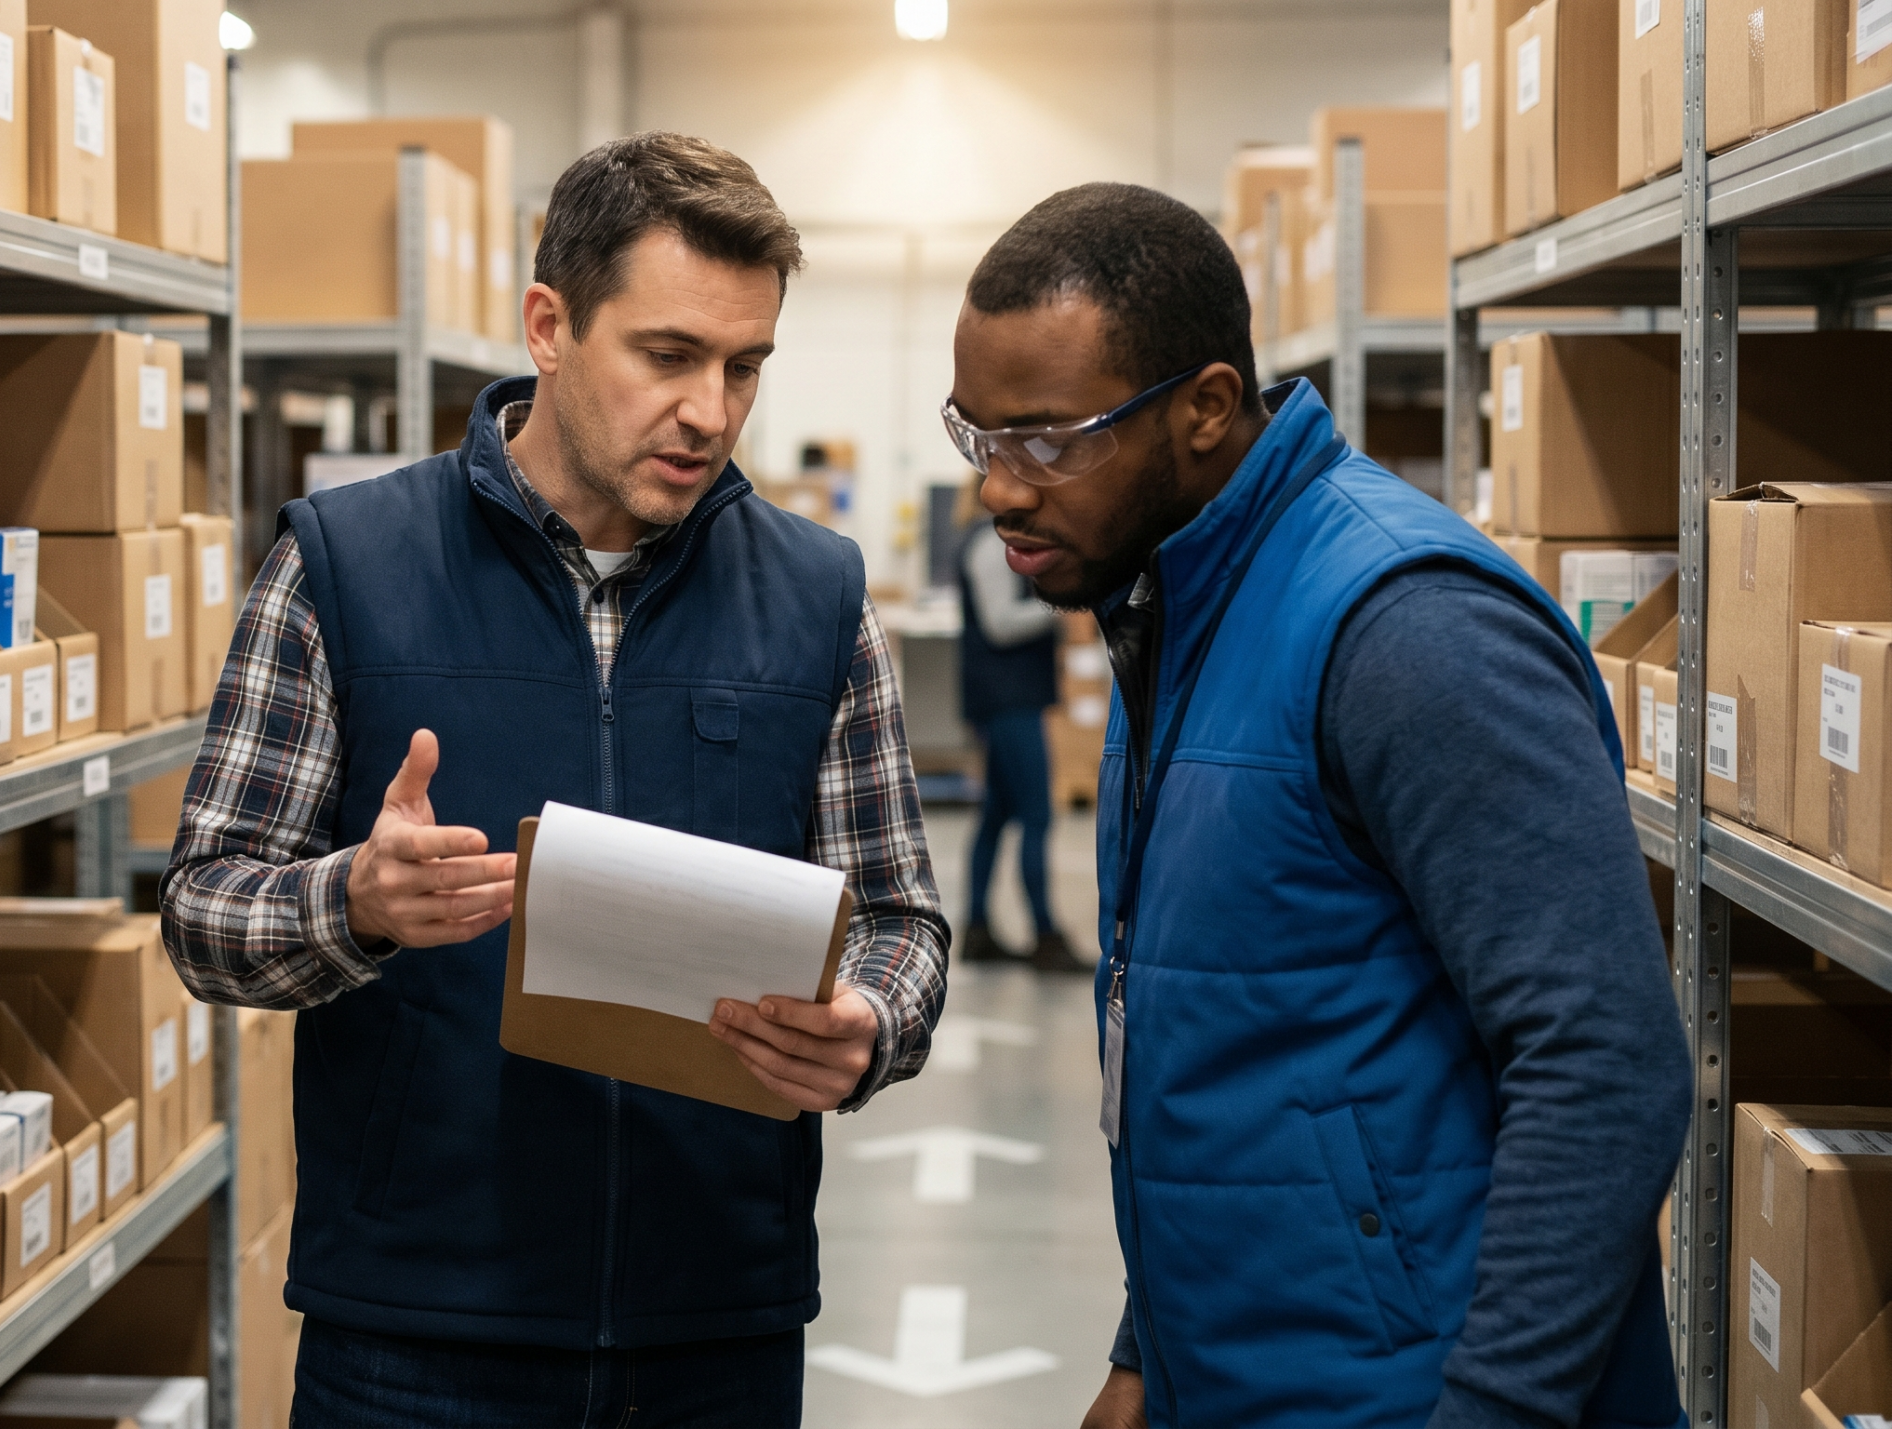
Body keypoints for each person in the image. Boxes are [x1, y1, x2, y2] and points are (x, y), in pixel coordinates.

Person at [160, 131, 948, 1428]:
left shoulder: (819, 599)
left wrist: (868, 1023)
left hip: (716, 1327)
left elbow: (905, 917)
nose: (712, 409)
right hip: (413, 1332)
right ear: (549, 324)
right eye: (670, 354)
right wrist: (352, 900)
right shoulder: (346, 565)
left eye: (745, 365)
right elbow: (202, 914)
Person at [943, 183, 1689, 1429]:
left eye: (1049, 440)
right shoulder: (1170, 603)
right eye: (979, 436)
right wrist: (1144, 1351)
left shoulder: (1407, 631)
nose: (999, 490)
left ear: (1206, 408)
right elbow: (1232, 1027)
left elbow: (1606, 1065)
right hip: (1246, 1370)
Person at [955, 506, 1079, 970]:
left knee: (998, 813)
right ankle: (1045, 934)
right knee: (1037, 814)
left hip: (1010, 699)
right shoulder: (989, 543)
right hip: (1007, 702)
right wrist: (1060, 603)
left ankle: (978, 930)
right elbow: (1001, 622)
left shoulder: (993, 539)